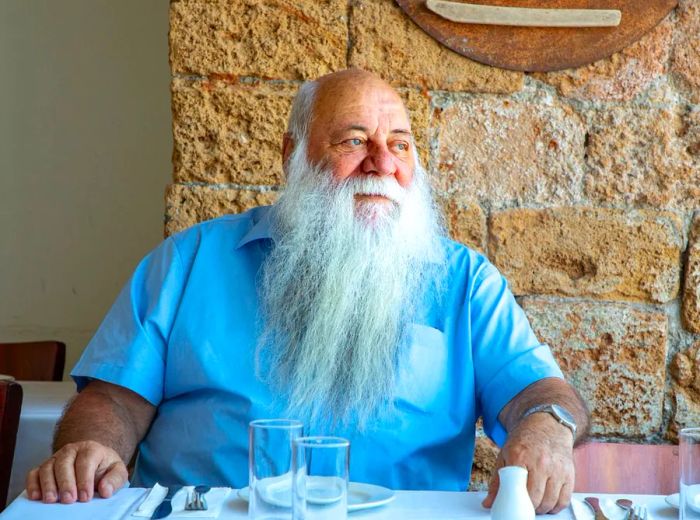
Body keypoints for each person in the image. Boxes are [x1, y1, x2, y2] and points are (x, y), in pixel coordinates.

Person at [26, 68, 589, 514]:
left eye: (401, 144)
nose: (382, 163)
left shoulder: (465, 279)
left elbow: (541, 392)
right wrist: (92, 450)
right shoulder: (186, 261)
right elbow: (113, 402)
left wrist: (548, 430)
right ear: (292, 155)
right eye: (354, 141)